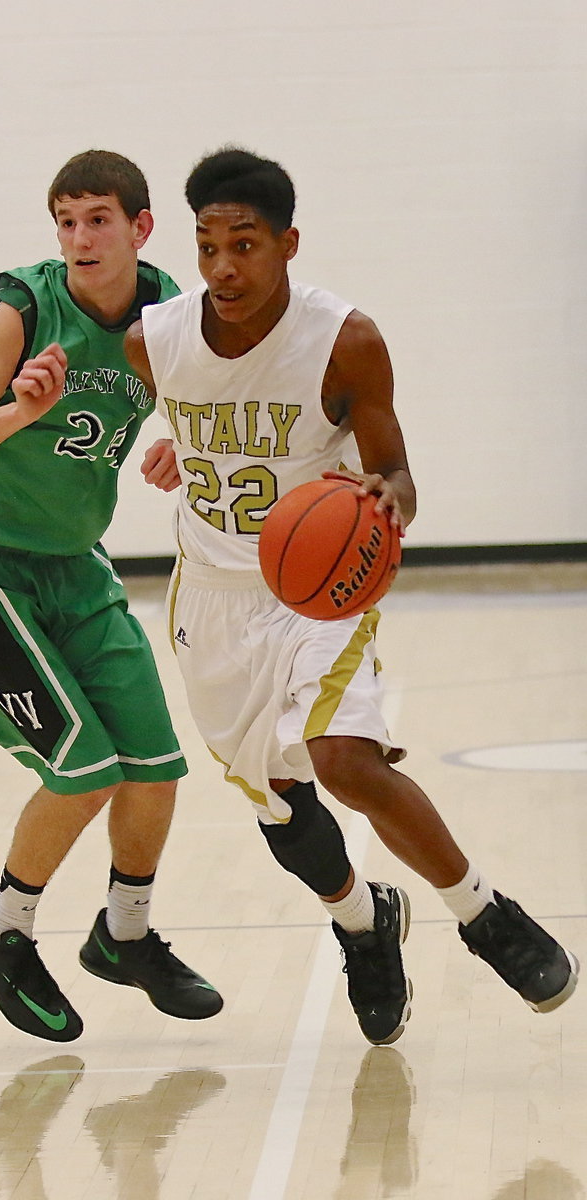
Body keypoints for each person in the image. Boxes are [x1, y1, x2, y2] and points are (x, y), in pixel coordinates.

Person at [125, 146, 579, 1045]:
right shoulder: (154, 340)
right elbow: (171, 411)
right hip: (211, 595)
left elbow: (396, 471)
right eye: (207, 245)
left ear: (288, 244)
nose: (223, 267)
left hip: (317, 592)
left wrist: (388, 500)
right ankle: (364, 923)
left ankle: (485, 915)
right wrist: (175, 445)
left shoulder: (345, 340)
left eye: (244, 244)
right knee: (280, 801)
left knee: (342, 759)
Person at [0, 150, 222, 1043]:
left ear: (140, 228)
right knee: (85, 770)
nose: (79, 237)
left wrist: (184, 447)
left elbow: (202, 407)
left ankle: (125, 935)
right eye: (66, 220)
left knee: (156, 765)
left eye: (97, 219)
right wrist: (18, 410)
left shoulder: (167, 314)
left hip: (74, 561)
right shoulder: (25, 307)